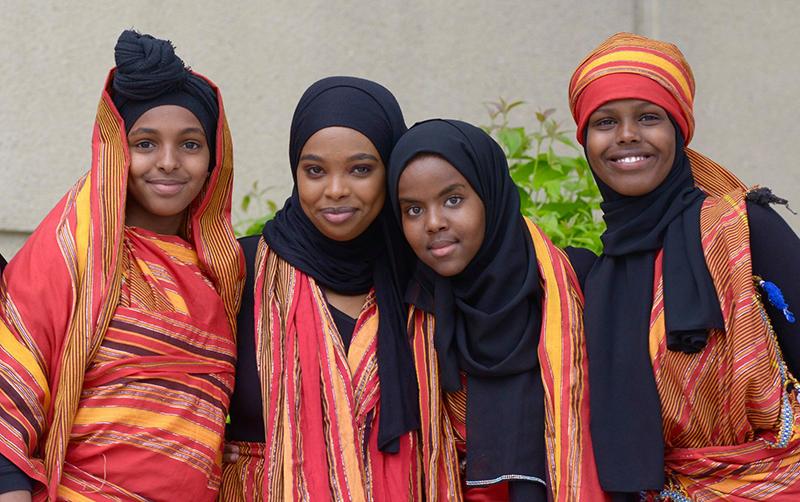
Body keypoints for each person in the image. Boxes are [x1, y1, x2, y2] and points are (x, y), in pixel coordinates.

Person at [0, 30, 242, 500]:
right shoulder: (72, 251)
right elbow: (8, 397)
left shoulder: (221, 270)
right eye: (145, 143)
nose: (168, 162)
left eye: (190, 145)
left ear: (215, 156)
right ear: (115, 150)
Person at [567, 32, 800, 500]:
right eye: (605, 121)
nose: (627, 135)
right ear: (586, 141)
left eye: (648, 117)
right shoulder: (591, 278)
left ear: (678, 128)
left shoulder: (742, 233)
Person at [220, 76, 421, 501]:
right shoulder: (243, 272)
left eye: (361, 169)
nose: (335, 190)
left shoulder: (422, 281)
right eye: (315, 170)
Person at [388, 119, 603, 501]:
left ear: (491, 196)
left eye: (453, 200)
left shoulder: (576, 284)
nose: (434, 223)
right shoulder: (408, 313)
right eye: (413, 210)